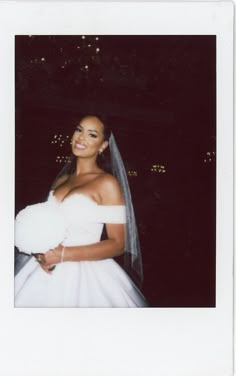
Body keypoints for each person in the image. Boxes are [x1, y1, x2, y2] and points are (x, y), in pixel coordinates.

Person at [15, 115, 147, 307]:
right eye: (79, 130)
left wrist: (62, 255)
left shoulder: (107, 183)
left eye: (92, 134)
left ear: (102, 146)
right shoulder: (60, 181)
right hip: (44, 267)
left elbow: (118, 244)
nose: (81, 137)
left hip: (86, 272)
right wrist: (38, 248)